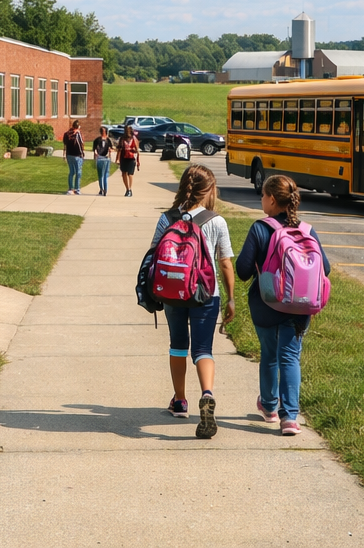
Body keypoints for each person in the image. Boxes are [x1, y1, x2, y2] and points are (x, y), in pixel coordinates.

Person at [235, 174, 330, 436]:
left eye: (263, 196)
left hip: (267, 303)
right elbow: (326, 269)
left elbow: (243, 270)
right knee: (290, 356)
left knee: (269, 354)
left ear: (272, 200)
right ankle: (290, 417)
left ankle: (269, 406)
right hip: (301, 306)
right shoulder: (307, 230)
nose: (261, 200)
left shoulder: (260, 228)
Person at [149, 164, 235, 438]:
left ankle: (180, 400)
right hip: (206, 294)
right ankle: (207, 393)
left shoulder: (167, 218)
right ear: (209, 190)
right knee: (203, 349)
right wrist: (231, 298)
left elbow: (153, 253)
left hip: (173, 292)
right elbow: (225, 263)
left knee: (177, 345)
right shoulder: (216, 221)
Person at [117, 124, 140, 197]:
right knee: (124, 173)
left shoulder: (134, 139)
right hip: (123, 157)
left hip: (131, 158)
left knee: (130, 174)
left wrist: (134, 150)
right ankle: (127, 188)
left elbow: (137, 150)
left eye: (128, 130)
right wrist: (117, 159)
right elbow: (119, 149)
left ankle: (130, 189)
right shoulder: (122, 139)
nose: (127, 132)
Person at [63, 120, 85, 195]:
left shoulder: (66, 134)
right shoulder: (78, 134)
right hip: (77, 155)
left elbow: (65, 145)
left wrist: (64, 154)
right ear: (78, 126)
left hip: (69, 155)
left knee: (72, 172)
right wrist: (82, 153)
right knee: (78, 172)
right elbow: (81, 144)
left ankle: (70, 189)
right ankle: (77, 189)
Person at [92, 126, 113, 195]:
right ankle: (104, 189)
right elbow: (110, 149)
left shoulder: (97, 140)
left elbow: (95, 151)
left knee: (101, 175)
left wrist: (95, 158)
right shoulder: (108, 140)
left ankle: (102, 189)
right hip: (104, 158)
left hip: (101, 158)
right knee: (104, 175)